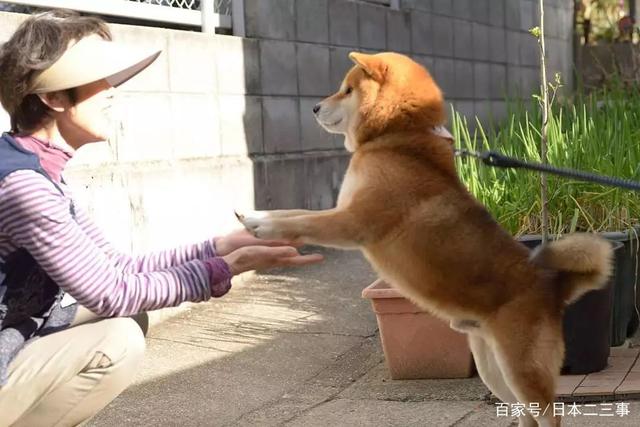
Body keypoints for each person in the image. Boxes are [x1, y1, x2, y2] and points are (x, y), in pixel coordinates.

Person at [0, 9, 322, 427]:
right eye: (101, 80)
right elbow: (110, 292)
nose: (114, 92)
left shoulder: (38, 170)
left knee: (129, 315)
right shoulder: (25, 186)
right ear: (55, 98)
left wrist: (223, 246)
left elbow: (119, 268)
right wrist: (231, 267)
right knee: (116, 340)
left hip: (14, 333)